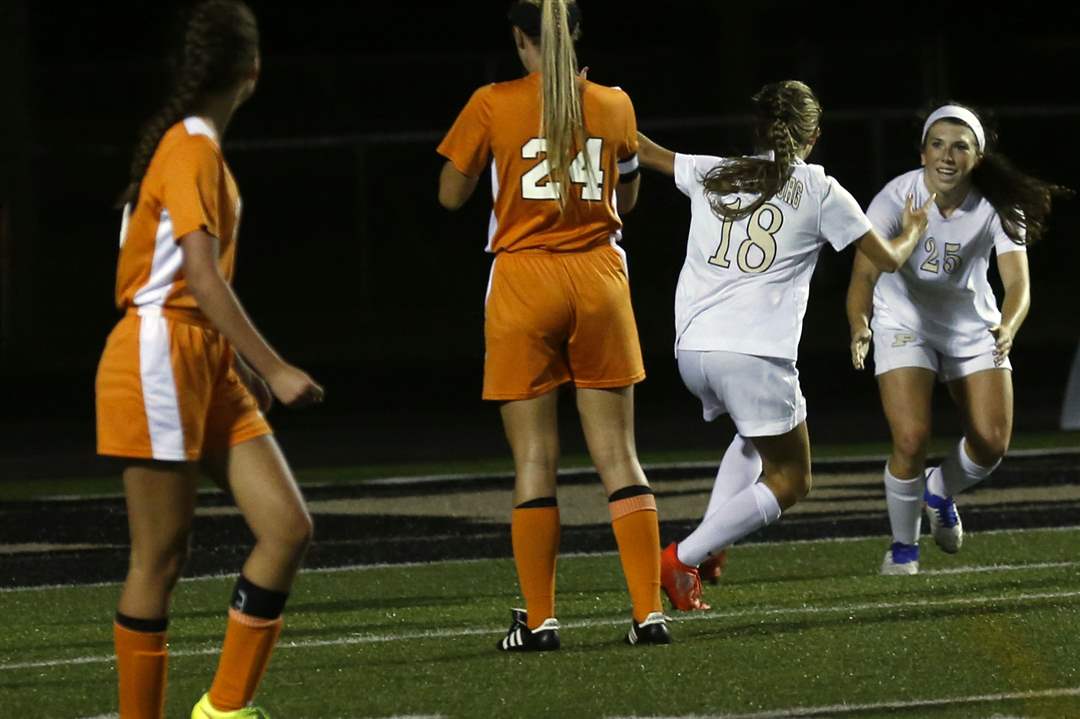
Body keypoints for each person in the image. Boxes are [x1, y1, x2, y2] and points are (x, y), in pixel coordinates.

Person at [95, 2, 325, 716]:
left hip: (202, 356)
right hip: (159, 354)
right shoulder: (191, 148)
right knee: (160, 559)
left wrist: (241, 365)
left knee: (286, 528)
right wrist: (275, 366)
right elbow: (198, 276)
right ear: (251, 70)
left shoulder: (191, 147)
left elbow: (196, 281)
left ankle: (222, 709)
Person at [636, 80, 933, 611]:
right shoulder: (819, 190)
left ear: (757, 129)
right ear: (813, 136)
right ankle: (683, 558)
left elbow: (640, 148)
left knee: (754, 440)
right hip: (752, 354)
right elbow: (887, 259)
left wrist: (588, 103)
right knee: (792, 478)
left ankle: (712, 544)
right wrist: (912, 228)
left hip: (692, 351)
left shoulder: (716, 171)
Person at [437, 0, 670, 649]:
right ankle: (648, 612)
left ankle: (540, 620)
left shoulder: (493, 102)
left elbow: (450, 195)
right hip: (599, 280)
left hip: (524, 280)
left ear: (520, 38)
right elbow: (627, 198)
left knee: (536, 460)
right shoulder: (615, 103)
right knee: (619, 456)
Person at [847, 103, 1073, 575]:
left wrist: (1007, 326)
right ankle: (903, 547)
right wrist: (859, 322)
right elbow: (864, 274)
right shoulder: (894, 198)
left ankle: (938, 489)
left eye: (960, 147)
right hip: (904, 321)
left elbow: (1018, 283)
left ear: (978, 157)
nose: (946, 156)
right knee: (911, 438)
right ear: (922, 152)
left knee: (991, 443)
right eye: (937, 145)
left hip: (971, 325)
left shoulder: (997, 205)